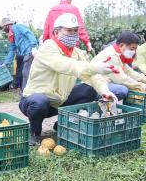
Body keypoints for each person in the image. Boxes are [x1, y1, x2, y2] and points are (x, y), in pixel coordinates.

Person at [20, 13, 118, 145]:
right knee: (39, 101)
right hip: (34, 101)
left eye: (75, 31)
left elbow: (91, 75)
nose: (73, 34)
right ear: (56, 32)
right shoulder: (48, 47)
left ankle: (62, 124)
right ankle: (35, 133)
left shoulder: (76, 52)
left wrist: (104, 90)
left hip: (60, 101)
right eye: (68, 30)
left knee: (89, 90)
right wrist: (94, 67)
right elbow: (67, 65)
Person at [0, 18, 38, 90]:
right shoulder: (12, 35)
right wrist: (6, 63)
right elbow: (12, 50)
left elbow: (29, 34)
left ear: (7, 25)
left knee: (25, 72)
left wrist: (34, 46)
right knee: (25, 72)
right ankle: (26, 91)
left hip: (30, 51)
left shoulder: (18, 27)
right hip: (25, 53)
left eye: (3, 27)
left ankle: (25, 92)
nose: (3, 29)